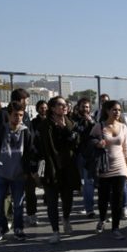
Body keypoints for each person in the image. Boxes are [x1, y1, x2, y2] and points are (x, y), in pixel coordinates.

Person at [0, 101, 36, 242]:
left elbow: (30, 153)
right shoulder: (1, 131)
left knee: (18, 204)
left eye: (21, 115)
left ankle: (18, 228)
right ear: (8, 115)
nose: (18, 118)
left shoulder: (26, 132)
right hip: (1, 173)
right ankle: (1, 227)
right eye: (15, 115)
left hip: (18, 174)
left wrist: (29, 171)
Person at [38, 96, 81, 244]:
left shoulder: (71, 123)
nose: (65, 107)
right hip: (51, 168)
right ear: (53, 108)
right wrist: (39, 172)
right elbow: (41, 149)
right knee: (52, 202)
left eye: (66, 105)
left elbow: (76, 143)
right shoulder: (45, 126)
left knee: (68, 199)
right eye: (61, 105)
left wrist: (65, 129)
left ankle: (66, 219)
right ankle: (55, 231)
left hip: (67, 167)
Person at [90, 100, 127, 240]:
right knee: (103, 197)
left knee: (118, 198)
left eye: (119, 110)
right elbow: (89, 141)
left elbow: (126, 148)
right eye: (114, 109)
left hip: (120, 167)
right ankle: (101, 219)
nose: (117, 112)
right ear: (107, 111)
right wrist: (97, 143)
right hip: (104, 167)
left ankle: (116, 227)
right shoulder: (99, 126)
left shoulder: (123, 127)